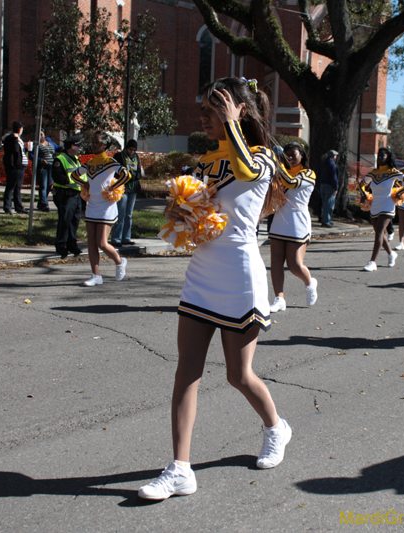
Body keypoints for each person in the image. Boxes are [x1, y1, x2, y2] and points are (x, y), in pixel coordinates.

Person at [138, 77, 290, 501]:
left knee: (239, 375)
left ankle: (276, 428)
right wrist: (182, 212)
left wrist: (233, 124)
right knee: (186, 370)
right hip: (202, 273)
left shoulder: (260, 157)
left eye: (215, 107)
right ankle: (180, 469)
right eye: (204, 109)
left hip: (240, 276)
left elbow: (245, 171)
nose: (204, 115)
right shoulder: (207, 161)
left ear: (239, 109)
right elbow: (201, 215)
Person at [73, 131, 130, 286]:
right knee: (91, 242)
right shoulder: (89, 163)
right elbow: (75, 175)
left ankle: (119, 262)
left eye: (97, 142)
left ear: (105, 145)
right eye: (92, 142)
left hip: (106, 206)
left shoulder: (110, 162)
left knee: (102, 243)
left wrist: (113, 187)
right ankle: (96, 275)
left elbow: (126, 175)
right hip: (92, 205)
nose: (93, 144)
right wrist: (84, 184)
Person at [267, 142, 317, 313]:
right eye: (286, 155)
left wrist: (277, 161)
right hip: (279, 221)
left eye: (293, 154)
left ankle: (310, 282)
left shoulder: (309, 174)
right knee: (275, 263)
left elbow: (291, 183)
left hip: (298, 222)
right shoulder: (281, 173)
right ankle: (279, 298)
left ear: (302, 155)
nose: (289, 158)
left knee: (295, 265)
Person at [358, 148, 404, 272]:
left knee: (379, 232)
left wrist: (400, 192)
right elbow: (361, 183)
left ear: (388, 157)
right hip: (375, 204)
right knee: (380, 233)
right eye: (380, 155)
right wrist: (364, 194)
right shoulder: (373, 173)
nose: (381, 157)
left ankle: (372, 262)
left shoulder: (393, 172)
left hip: (388, 203)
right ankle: (391, 253)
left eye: (383, 155)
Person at [52, 135, 84, 258]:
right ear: (72, 146)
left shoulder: (76, 159)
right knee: (65, 221)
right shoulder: (60, 159)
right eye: (78, 145)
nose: (80, 148)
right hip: (66, 195)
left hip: (76, 194)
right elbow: (58, 177)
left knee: (74, 221)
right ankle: (61, 245)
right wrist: (74, 180)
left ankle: (72, 244)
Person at [111, 139, 142, 246]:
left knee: (129, 214)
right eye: (130, 149)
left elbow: (139, 172)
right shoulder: (119, 156)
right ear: (126, 148)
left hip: (133, 188)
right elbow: (115, 171)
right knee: (121, 213)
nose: (132, 152)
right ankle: (116, 238)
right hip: (122, 187)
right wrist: (125, 176)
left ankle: (126, 237)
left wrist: (134, 175)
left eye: (134, 150)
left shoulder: (136, 157)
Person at [2, 120, 28, 214]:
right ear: (20, 129)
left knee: (17, 187)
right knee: (11, 187)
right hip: (13, 167)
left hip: (20, 167)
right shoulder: (11, 139)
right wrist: (15, 139)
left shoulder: (19, 139)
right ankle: (7, 207)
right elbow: (15, 150)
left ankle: (19, 207)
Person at [30, 130, 55, 212]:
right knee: (43, 186)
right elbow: (31, 155)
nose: (40, 135)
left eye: (41, 134)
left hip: (51, 167)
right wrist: (40, 160)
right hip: (42, 168)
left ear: (44, 134)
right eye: (37, 134)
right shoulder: (34, 144)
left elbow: (57, 147)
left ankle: (41, 203)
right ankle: (44, 204)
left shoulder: (49, 142)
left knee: (49, 185)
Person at [317, 149, 338, 227]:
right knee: (329, 204)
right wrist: (335, 188)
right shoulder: (333, 165)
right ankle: (326, 221)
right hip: (330, 186)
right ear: (334, 156)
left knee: (324, 202)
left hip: (322, 185)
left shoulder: (322, 164)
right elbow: (334, 178)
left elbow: (318, 174)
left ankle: (322, 218)